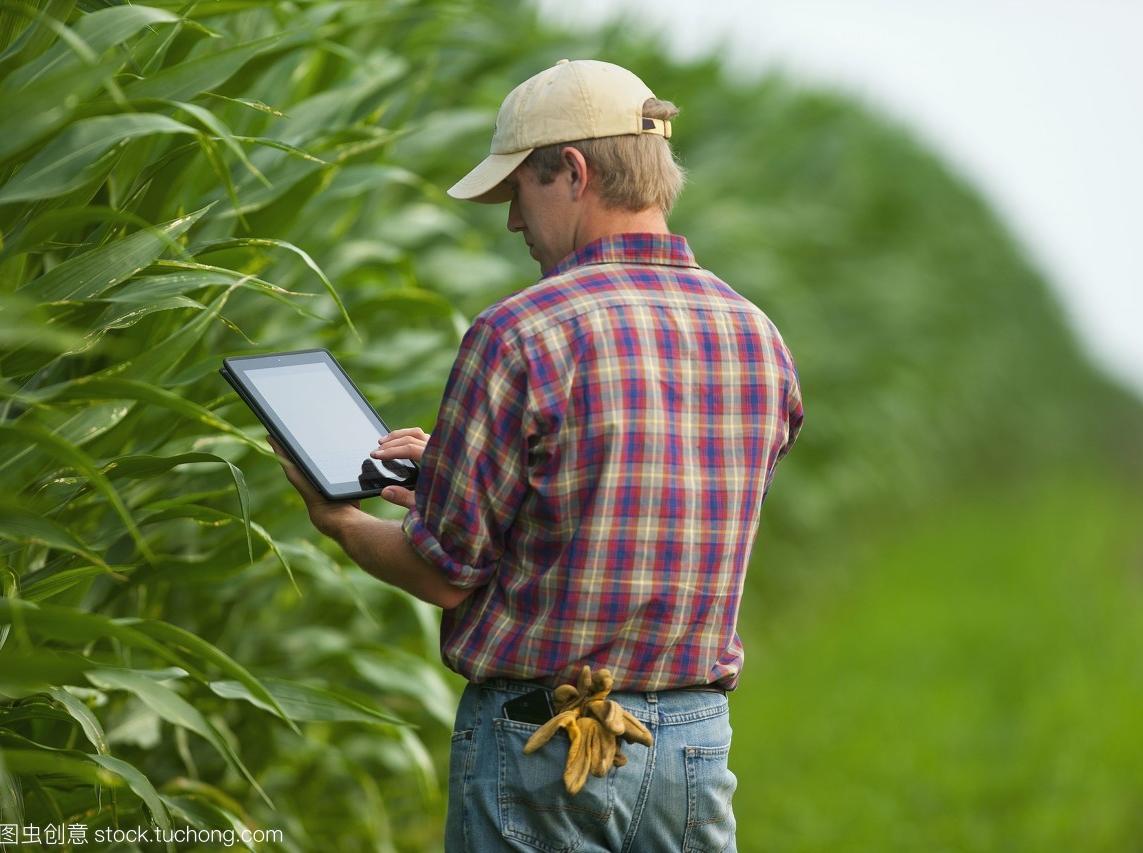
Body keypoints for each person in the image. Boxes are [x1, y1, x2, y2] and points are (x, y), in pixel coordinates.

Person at [272, 58, 803, 852]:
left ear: (575, 173)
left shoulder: (520, 333)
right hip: (694, 744)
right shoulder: (758, 340)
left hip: (544, 745)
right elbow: (626, 508)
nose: (514, 223)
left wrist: (336, 518)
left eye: (518, 192)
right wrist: (448, 477)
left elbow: (443, 573)